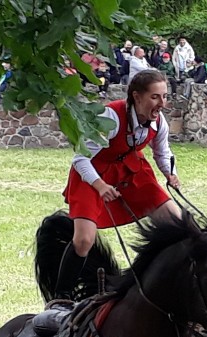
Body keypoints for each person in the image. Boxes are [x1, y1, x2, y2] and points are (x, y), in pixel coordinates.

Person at [55, 70, 181, 301]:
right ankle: (60, 296)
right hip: (92, 173)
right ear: (137, 96)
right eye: (155, 97)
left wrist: (171, 174)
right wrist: (101, 185)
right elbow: (80, 158)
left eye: (164, 96)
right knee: (84, 240)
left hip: (130, 169)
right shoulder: (110, 118)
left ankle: (162, 284)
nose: (162, 103)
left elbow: (162, 152)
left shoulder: (158, 121)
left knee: (177, 223)